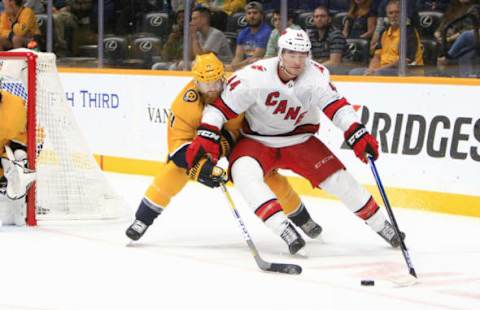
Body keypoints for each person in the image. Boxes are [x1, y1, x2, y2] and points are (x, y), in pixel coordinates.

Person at [185, 28, 405, 255]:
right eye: (292, 54)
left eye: (303, 55)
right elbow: (218, 109)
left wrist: (356, 131)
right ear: (281, 53)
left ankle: (383, 225)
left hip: (299, 139)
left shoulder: (316, 75)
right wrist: (206, 135)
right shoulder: (253, 76)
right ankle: (284, 228)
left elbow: (337, 107)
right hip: (257, 140)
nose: (298, 61)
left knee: (339, 180)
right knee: (242, 173)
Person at [126, 53, 322, 247]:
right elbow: (178, 148)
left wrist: (216, 150)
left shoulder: (236, 91)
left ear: (223, 77)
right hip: (197, 143)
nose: (212, 89)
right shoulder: (183, 105)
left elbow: (236, 131)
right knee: (172, 172)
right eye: (205, 84)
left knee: (266, 174)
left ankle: (302, 218)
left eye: (216, 82)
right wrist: (202, 168)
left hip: (237, 139)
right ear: (196, 82)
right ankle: (142, 219)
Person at [349, 0, 424, 76]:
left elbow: (402, 62)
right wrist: (371, 70)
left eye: (397, 12)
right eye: (391, 13)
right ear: (387, 16)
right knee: (354, 72)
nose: (394, 15)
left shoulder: (408, 32)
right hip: (384, 69)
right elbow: (376, 56)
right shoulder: (384, 32)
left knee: (378, 74)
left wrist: (377, 70)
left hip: (406, 71)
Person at [0, 87, 36, 225]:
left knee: (19, 156)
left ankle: (18, 199)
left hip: (7, 154)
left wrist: (13, 164)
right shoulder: (14, 105)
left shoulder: (14, 106)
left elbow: (26, 139)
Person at [226, 1, 271, 72]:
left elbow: (255, 58)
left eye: (255, 13)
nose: (252, 16)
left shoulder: (266, 32)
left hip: (261, 69)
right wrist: (229, 71)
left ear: (262, 16)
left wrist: (233, 67)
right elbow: (238, 57)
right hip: (245, 68)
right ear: (245, 16)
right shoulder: (243, 33)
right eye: (249, 13)